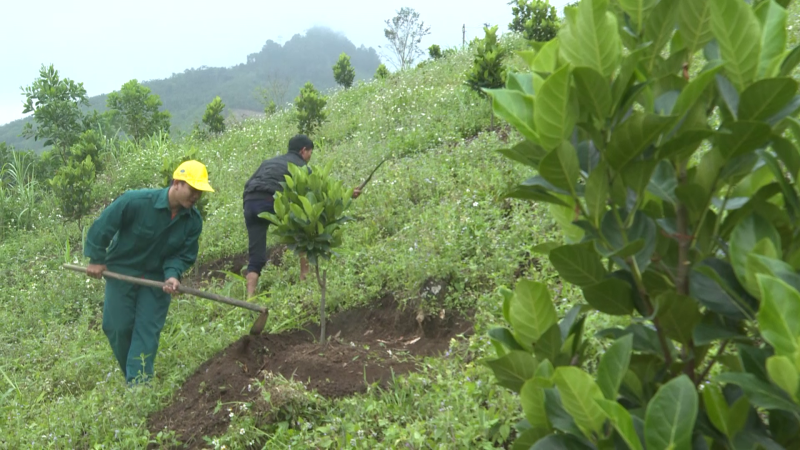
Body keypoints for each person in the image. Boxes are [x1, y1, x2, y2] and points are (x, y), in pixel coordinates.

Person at [83, 160, 214, 385]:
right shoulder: (136, 201)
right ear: (177, 183)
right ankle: (133, 375)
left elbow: (183, 254)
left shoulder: (193, 221)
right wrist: (96, 258)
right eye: (193, 190)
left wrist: (173, 274)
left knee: (147, 331)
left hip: (157, 278)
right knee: (116, 327)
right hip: (122, 270)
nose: (196, 197)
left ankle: (139, 386)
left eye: (200, 193)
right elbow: (104, 224)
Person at [242, 134, 361, 297]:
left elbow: (250, 183)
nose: (309, 158)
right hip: (271, 199)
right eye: (310, 153)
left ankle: (249, 298)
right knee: (305, 229)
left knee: (256, 254)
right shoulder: (301, 168)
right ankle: (305, 279)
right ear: (303, 150)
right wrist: (346, 194)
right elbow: (320, 193)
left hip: (250, 201)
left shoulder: (268, 162)